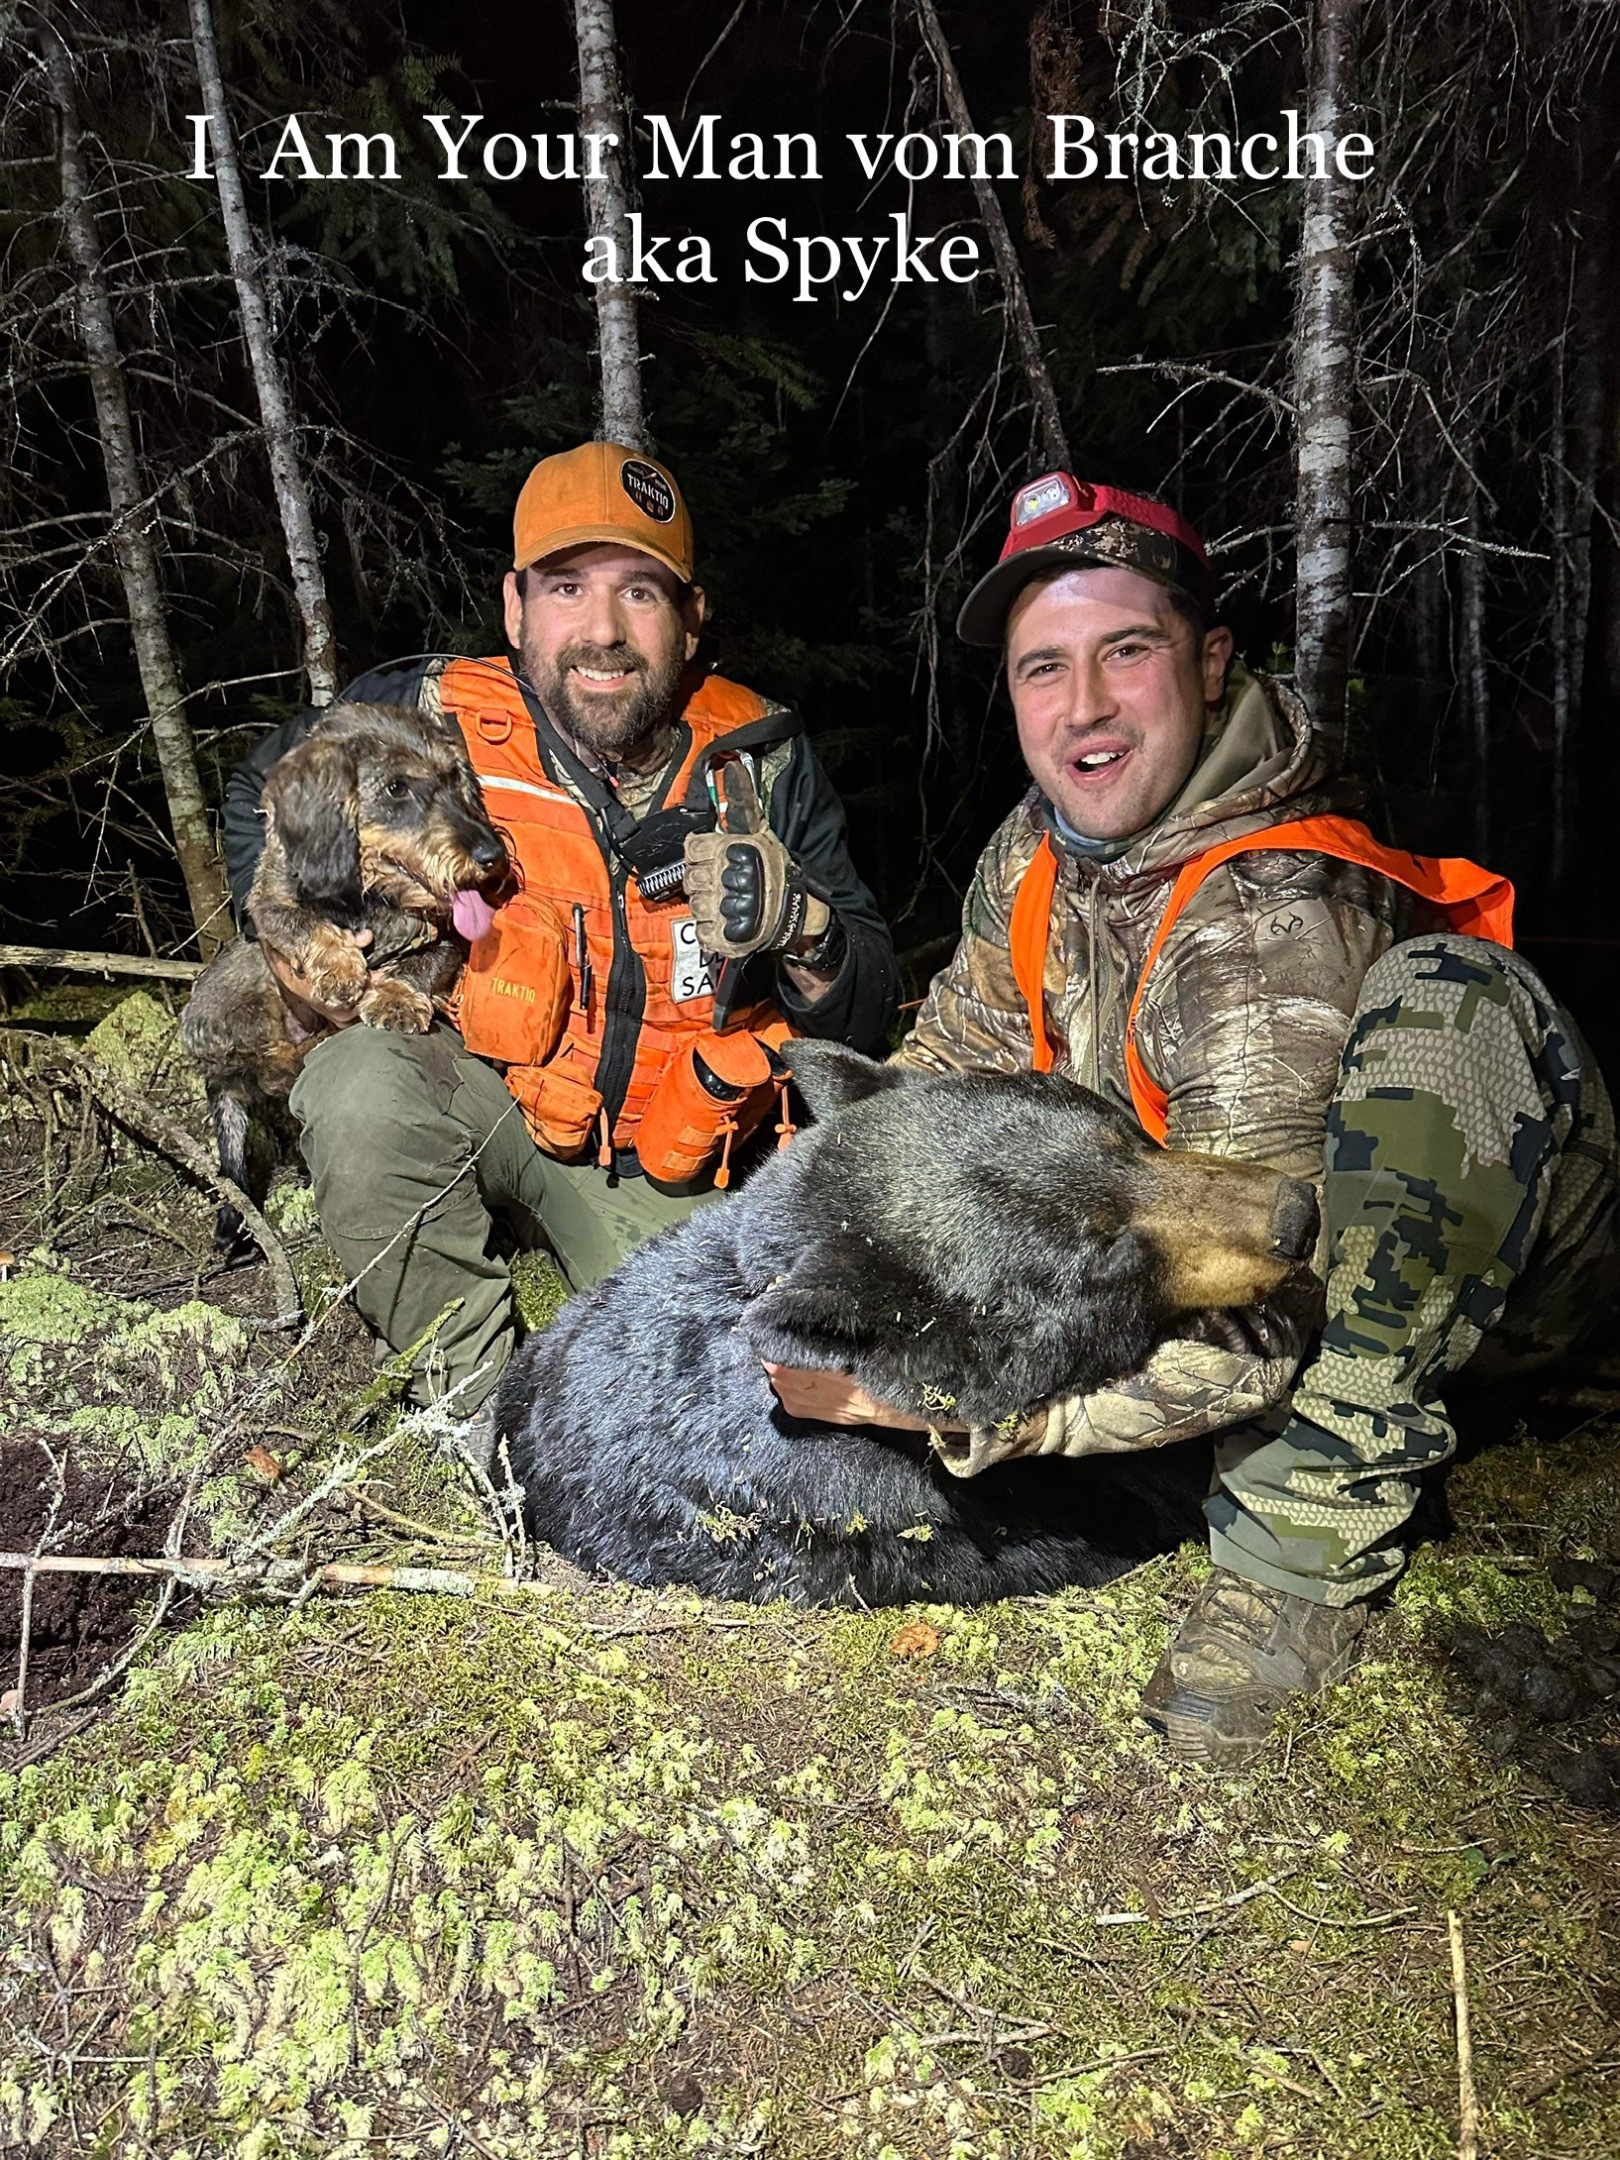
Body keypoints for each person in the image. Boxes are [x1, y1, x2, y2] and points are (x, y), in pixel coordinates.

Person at [770, 470, 1619, 1770]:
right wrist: (817, 1235)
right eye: (1043, 669)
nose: (1085, 708)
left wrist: (966, 1409)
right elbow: (943, 1077)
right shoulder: (1037, 855)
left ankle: (1300, 1549)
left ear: (1212, 663)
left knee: (1447, 1002)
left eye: (1128, 652)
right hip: (1234, 1261)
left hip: (1501, 1306)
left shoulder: (1274, 912)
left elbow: (1266, 1313)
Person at [224, 440, 897, 1443]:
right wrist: (317, 934)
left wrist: (804, 931)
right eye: (567, 587)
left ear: (691, 619)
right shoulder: (430, 714)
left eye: (641, 593)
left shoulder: (765, 761)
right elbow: (260, 797)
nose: (602, 632)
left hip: (672, 1157)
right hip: (484, 1093)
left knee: (743, 1403)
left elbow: (872, 1006)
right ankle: (481, 1411)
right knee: (359, 1083)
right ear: (515, 609)